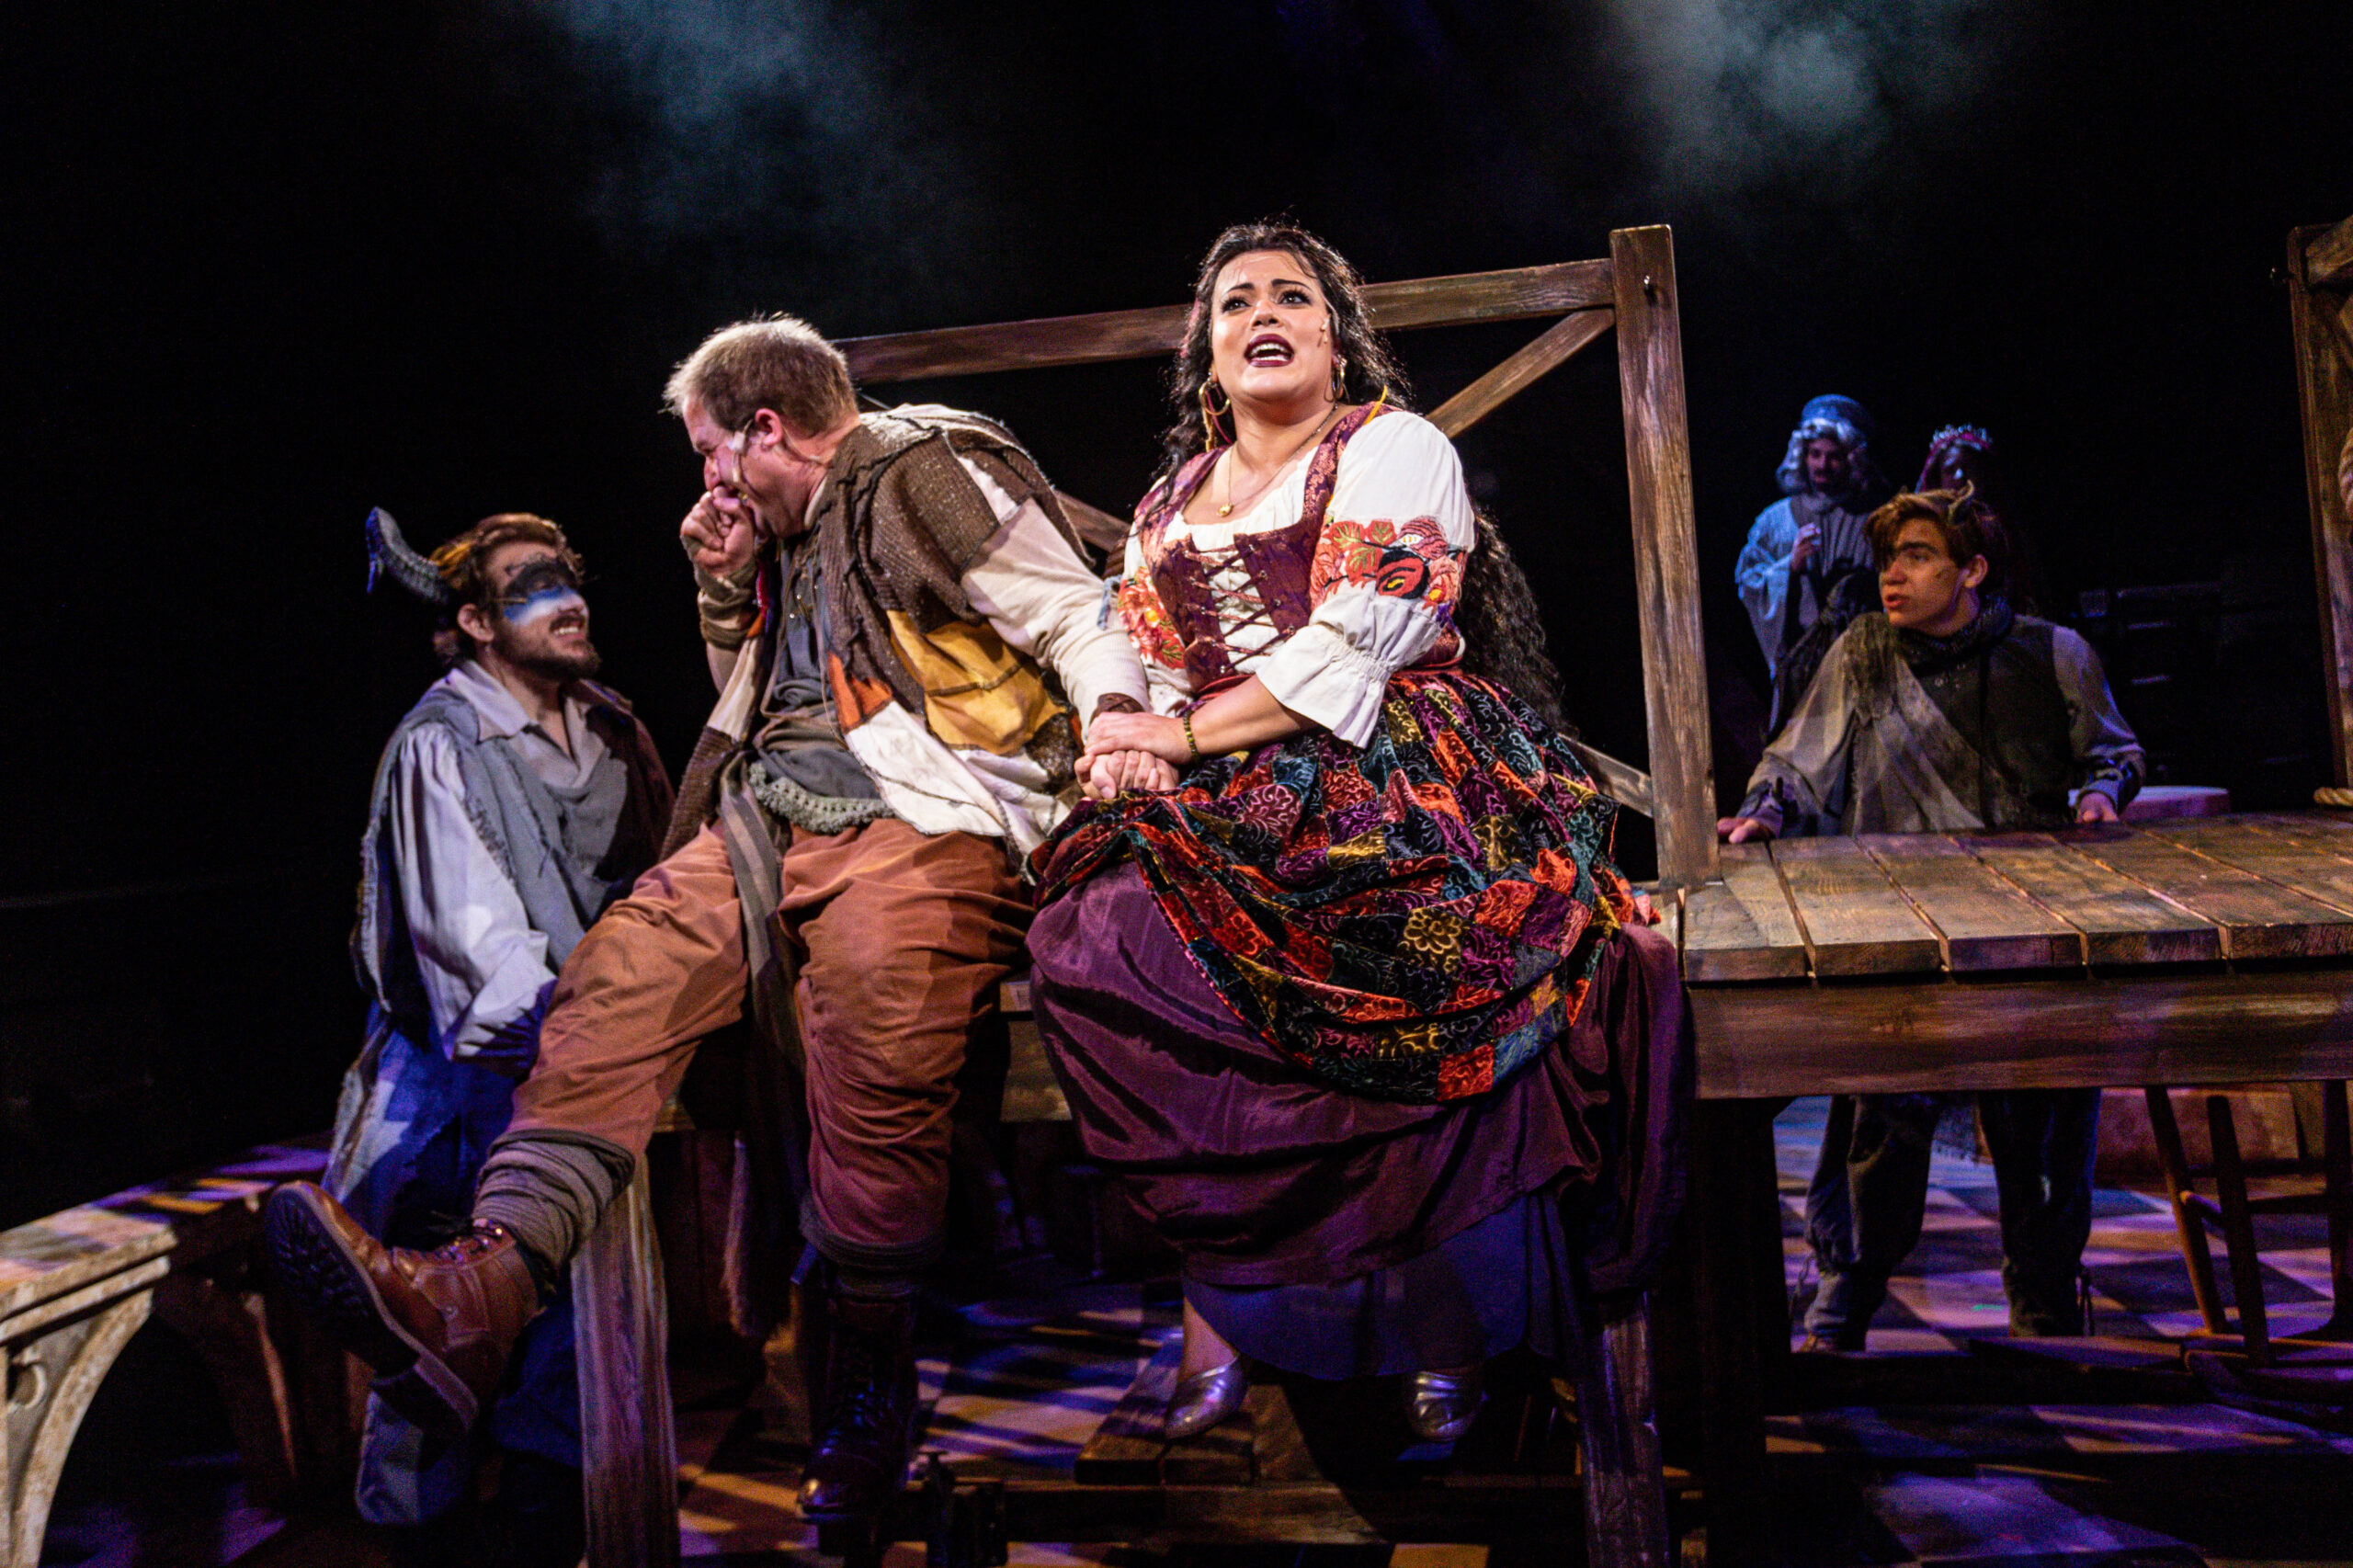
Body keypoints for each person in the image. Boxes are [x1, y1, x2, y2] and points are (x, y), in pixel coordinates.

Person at [268, 317, 1151, 1532]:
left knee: (880, 1011)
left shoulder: (922, 468)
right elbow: (776, 689)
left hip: (926, 818)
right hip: (762, 825)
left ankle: (868, 1379)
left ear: (764, 429)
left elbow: (1071, 607)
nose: (709, 480)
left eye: (709, 453)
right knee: (615, 973)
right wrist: (728, 585)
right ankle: (479, 1290)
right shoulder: (785, 541)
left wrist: (1114, 720)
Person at [1027, 223, 1691, 1445]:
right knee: (1104, 924)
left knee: (1408, 938)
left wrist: (1175, 741)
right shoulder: (1167, 504)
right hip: (1218, 778)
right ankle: (1223, 1306)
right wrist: (1125, 723)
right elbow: (1140, 649)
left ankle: (1450, 1324)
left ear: (1338, 339)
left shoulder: (1393, 448)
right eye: (1236, 303)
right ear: (1209, 354)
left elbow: (1356, 644)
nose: (1264, 313)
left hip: (1393, 759)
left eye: (1294, 296)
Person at [1720, 486, 2144, 1350]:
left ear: (1973, 570)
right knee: (1882, 1119)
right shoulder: (1865, 652)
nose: (1894, 576)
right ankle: (1848, 1296)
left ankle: (2045, 1298)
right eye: (1888, 558)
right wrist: (1767, 808)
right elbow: (1802, 755)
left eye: (1918, 557)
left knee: (2047, 1122)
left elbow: (2113, 749)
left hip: (2025, 924)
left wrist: (2102, 795)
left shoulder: (2051, 654)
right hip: (1898, 931)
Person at [332, 510, 674, 1563]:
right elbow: (484, 985)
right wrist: (611, 1047)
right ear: (475, 620)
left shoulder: (613, 727)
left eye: (569, 578)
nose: (568, 599)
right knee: (438, 1386)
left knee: (571, 1381)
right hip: (461, 1110)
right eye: (531, 586)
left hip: (584, 1099)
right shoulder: (444, 746)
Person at [1733, 395, 1891, 692]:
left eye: (1834, 456)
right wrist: (1789, 567)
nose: (1823, 465)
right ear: (1802, 456)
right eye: (1815, 454)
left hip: (1861, 669)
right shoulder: (1774, 521)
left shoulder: (1876, 520)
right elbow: (1748, 583)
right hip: (1801, 674)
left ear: (1852, 460)